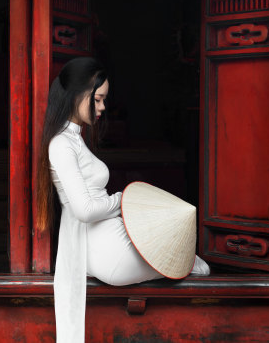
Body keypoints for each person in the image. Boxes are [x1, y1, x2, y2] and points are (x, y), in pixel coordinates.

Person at [36, 57, 209, 342]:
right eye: (99, 99)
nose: (103, 107)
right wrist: (125, 199)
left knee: (187, 260)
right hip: (103, 248)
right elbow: (85, 209)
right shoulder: (62, 144)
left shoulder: (74, 139)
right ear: (79, 95)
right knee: (194, 265)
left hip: (102, 242)